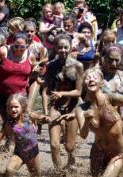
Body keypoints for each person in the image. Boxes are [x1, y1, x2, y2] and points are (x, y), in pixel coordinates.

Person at [43, 34, 83, 169]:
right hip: (56, 106)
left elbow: (78, 91)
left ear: (70, 47)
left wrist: (62, 93)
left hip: (73, 106)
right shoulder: (51, 66)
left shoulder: (78, 65)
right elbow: (47, 89)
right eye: (60, 47)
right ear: (55, 48)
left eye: (66, 47)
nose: (63, 50)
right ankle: (59, 172)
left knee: (69, 146)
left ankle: (71, 160)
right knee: (54, 144)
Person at [0, 32, 40, 119]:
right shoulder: (3, 51)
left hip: (20, 96)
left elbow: (35, 75)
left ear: (27, 45)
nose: (18, 49)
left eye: (22, 47)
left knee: (20, 121)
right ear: (12, 44)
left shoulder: (31, 57)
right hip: (2, 94)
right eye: (16, 46)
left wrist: (35, 72)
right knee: (7, 121)